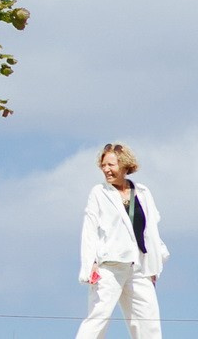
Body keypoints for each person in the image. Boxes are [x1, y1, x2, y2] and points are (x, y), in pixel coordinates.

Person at [77, 142, 169, 339]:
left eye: (111, 165)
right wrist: (89, 265)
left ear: (125, 165)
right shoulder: (99, 193)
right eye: (103, 165)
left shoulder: (143, 192)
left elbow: (151, 228)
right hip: (110, 266)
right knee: (98, 317)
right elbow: (90, 230)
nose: (106, 169)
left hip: (140, 267)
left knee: (148, 322)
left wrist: (156, 261)